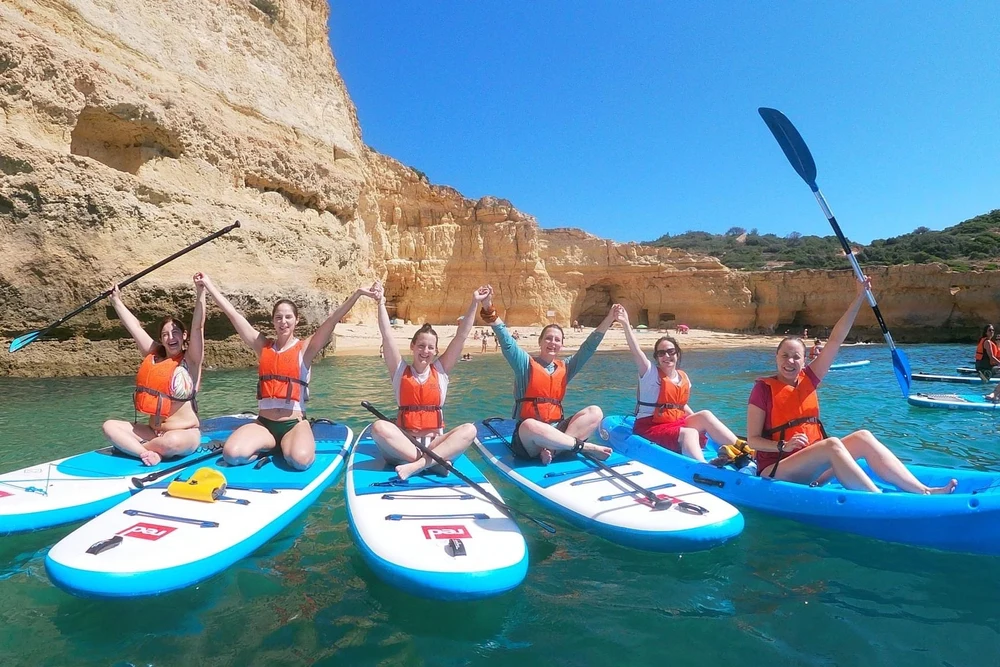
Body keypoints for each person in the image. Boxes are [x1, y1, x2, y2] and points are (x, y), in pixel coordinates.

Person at [746, 277, 956, 494]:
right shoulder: (762, 390)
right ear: (776, 357)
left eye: (796, 357)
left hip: (812, 467)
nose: (790, 361)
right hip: (776, 469)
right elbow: (753, 441)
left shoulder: (810, 377)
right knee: (831, 445)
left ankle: (924, 491)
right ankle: (877, 500)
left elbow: (836, 339)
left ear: (804, 360)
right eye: (785, 356)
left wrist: (859, 298)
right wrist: (784, 446)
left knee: (863, 437)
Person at [200, 274, 379, 470]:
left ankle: (286, 444)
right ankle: (269, 447)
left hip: (293, 424)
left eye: (288, 317)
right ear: (273, 322)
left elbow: (332, 319)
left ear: (296, 320)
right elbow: (233, 314)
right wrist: (209, 285)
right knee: (232, 455)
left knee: (300, 462)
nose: (283, 322)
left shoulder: (305, 350)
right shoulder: (263, 347)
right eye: (278, 317)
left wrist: (358, 294)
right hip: (264, 424)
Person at [481, 287, 612, 464]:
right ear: (540, 342)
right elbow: (506, 341)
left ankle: (553, 449)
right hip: (530, 439)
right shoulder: (525, 365)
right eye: (548, 338)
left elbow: (588, 348)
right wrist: (488, 305)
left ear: (562, 345)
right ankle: (583, 447)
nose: (553, 343)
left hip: (557, 431)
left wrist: (610, 318)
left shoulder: (566, 367)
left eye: (557, 340)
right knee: (529, 424)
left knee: (595, 412)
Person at [370, 282, 487, 480]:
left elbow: (462, 335)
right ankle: (434, 463)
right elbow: (387, 335)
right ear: (412, 347)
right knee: (378, 427)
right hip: (405, 444)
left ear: (436, 351)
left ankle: (418, 465)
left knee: (470, 430)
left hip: (434, 443)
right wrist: (380, 302)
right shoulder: (400, 371)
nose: (425, 351)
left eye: (430, 348)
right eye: (421, 346)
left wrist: (475, 302)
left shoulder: (440, 371)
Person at [615, 305, 745, 462]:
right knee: (690, 433)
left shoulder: (683, 378)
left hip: (674, 423)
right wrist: (625, 323)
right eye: (661, 353)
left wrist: (701, 422)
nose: (667, 356)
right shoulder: (650, 374)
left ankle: (741, 449)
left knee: (705, 415)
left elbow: (681, 406)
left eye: (671, 352)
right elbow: (635, 350)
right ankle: (704, 468)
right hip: (650, 427)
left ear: (677, 354)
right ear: (656, 357)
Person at [102, 274, 207, 466]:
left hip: (184, 434)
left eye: (175, 332)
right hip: (152, 431)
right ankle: (146, 452)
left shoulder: (190, 360)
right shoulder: (154, 356)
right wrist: (116, 300)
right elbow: (134, 327)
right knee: (109, 426)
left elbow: (198, 326)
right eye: (165, 334)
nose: (170, 337)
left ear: (184, 336)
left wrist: (201, 291)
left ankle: (136, 447)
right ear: (161, 339)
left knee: (171, 442)